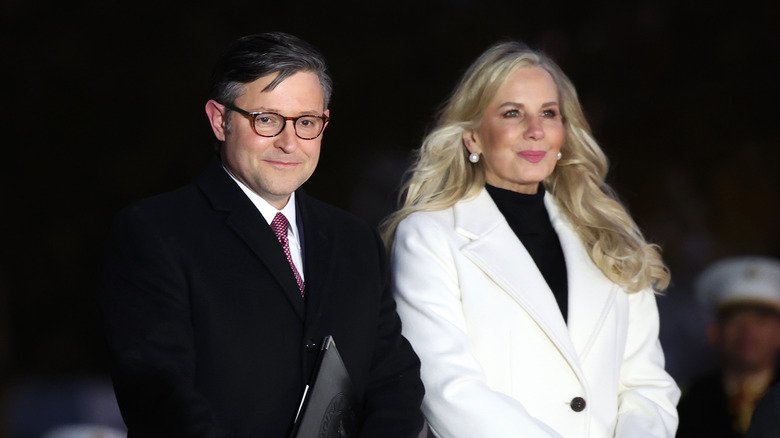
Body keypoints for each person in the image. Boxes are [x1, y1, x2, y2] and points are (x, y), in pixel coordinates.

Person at [100, 32, 424, 438]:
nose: (290, 143)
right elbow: (160, 395)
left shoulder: (355, 241)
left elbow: (394, 382)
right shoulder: (156, 232)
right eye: (267, 120)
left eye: (306, 122)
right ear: (221, 121)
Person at [381, 40, 680, 437]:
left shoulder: (613, 238)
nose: (535, 131)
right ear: (473, 137)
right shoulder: (429, 234)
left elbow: (647, 388)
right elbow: (447, 390)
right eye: (512, 113)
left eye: (548, 113)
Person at [677, 256, 780, 438]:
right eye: (736, 319)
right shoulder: (685, 404)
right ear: (714, 332)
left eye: (761, 320)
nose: (748, 331)